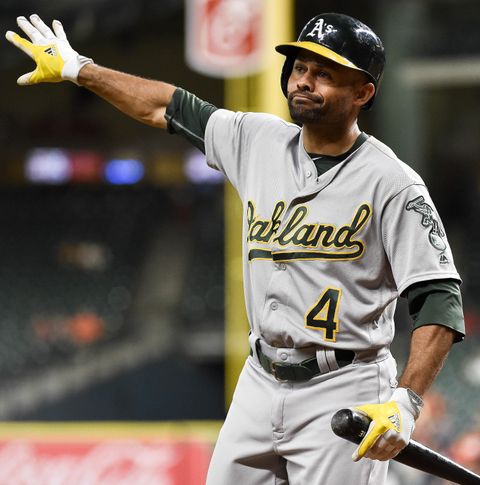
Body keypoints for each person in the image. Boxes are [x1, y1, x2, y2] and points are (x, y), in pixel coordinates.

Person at [6, 12, 465, 485]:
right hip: (260, 378)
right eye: (300, 68)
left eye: (324, 74)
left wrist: (406, 402)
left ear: (363, 92)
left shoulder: (393, 183)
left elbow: (439, 299)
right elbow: (165, 107)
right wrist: (81, 68)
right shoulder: (257, 139)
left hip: (344, 385)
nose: (304, 82)